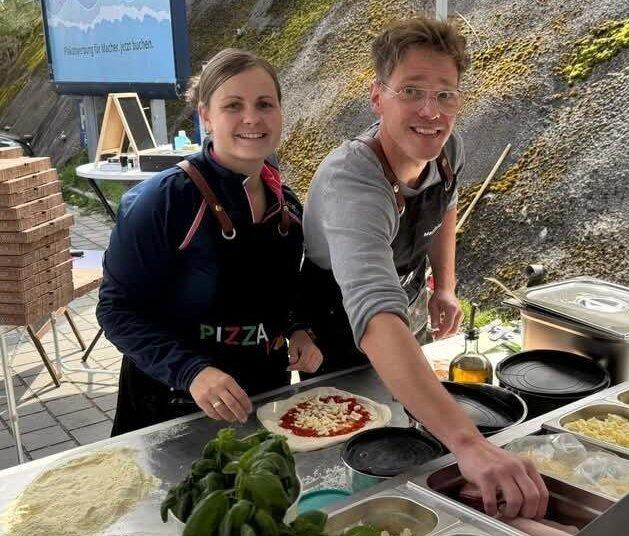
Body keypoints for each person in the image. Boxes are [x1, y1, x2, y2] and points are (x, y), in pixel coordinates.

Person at [299, 17, 549, 519]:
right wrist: (471, 446)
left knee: (404, 418)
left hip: (403, 299)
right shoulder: (354, 180)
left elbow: (445, 207)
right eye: (411, 91)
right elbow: (370, 309)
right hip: (339, 321)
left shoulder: (446, 147)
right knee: (352, 439)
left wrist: (445, 287)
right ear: (378, 97)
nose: (430, 111)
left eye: (445, 94)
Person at [98, 48, 322, 436]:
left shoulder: (287, 205)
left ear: (281, 112)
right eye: (233, 105)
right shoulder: (162, 201)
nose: (252, 117)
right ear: (205, 115)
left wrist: (300, 328)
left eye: (264, 104)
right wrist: (193, 372)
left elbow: (283, 290)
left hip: (263, 397)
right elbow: (116, 311)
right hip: (171, 406)